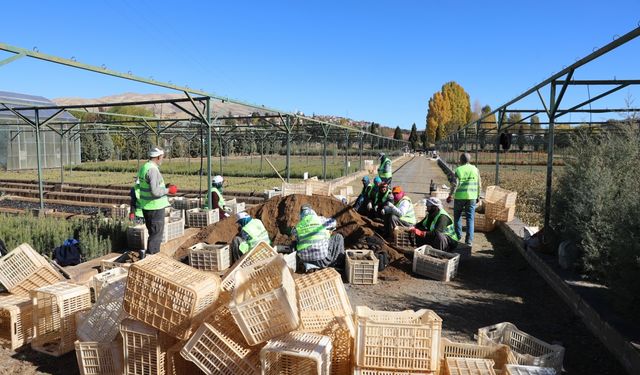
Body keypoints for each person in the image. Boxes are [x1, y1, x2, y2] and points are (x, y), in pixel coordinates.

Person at [136, 147, 177, 258]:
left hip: (147, 206)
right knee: (156, 235)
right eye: (162, 157)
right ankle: (151, 258)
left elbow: (148, 186)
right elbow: (155, 191)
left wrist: (164, 186)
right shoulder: (153, 170)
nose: (162, 159)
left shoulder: (144, 167)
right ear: (158, 157)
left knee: (153, 233)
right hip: (155, 206)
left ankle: (150, 256)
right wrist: (169, 190)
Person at [292, 204, 345, 272]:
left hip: (305, 259)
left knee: (298, 242)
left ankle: (310, 266)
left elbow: (294, 234)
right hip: (322, 260)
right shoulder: (319, 219)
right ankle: (339, 265)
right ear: (312, 211)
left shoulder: (298, 226)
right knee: (338, 237)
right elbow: (334, 222)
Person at [447, 152, 481, 247]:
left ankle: (458, 236)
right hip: (472, 197)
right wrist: (478, 196)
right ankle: (469, 241)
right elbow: (479, 184)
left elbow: (454, 184)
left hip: (459, 197)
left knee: (457, 217)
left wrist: (450, 195)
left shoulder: (458, 170)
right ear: (469, 160)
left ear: (461, 160)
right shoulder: (475, 169)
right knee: (470, 219)